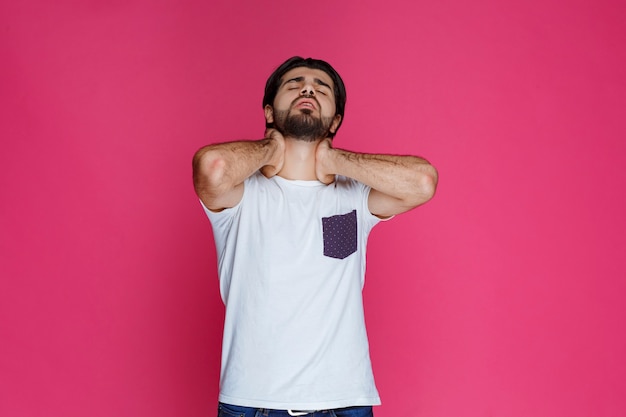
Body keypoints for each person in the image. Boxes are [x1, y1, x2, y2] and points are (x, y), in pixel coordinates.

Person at [193, 56, 438, 417]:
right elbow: (212, 169)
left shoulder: (355, 196)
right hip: (253, 403)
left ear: (335, 119)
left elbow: (422, 182)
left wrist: (335, 161)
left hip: (345, 402)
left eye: (321, 87)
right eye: (293, 84)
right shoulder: (242, 196)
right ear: (269, 112)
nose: (307, 88)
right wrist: (272, 148)